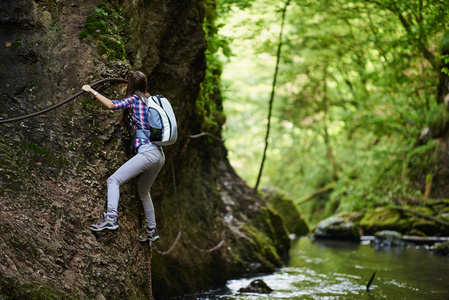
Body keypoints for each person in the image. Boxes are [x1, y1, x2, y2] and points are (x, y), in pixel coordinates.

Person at [81, 71, 165, 242]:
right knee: (143, 191)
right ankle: (151, 230)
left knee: (113, 181)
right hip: (159, 154)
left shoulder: (134, 99)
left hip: (147, 152)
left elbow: (112, 105)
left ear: (131, 86)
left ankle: (111, 219)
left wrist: (92, 91)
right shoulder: (150, 101)